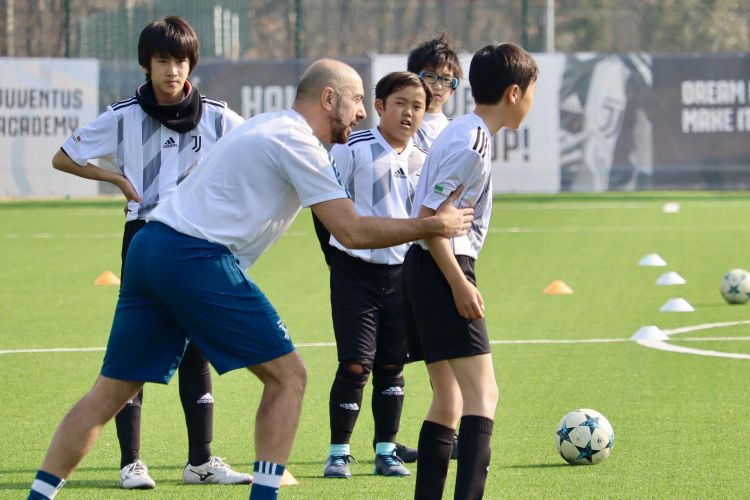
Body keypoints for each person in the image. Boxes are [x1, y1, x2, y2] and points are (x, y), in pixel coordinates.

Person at [29, 58, 474, 500]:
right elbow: (353, 231)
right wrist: (433, 225)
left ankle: (39, 495)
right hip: (193, 255)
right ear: (328, 98)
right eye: (357, 99)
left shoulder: (267, 125)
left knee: (110, 392)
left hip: (149, 245)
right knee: (289, 377)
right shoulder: (298, 142)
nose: (361, 111)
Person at [49, 16, 249, 490]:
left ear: (191, 64)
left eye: (180, 61)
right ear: (146, 65)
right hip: (144, 238)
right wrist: (116, 178)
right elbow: (63, 156)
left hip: (200, 241)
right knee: (137, 347)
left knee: (198, 346)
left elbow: (256, 154)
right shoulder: (122, 116)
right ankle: (130, 463)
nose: (172, 70)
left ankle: (200, 462)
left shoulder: (220, 116)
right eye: (163, 61)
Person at [402, 43, 538, 500]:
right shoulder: (472, 142)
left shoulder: (464, 129)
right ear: (515, 92)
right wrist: (459, 283)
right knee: (484, 395)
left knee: (449, 399)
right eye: (533, 92)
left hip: (423, 269)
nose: (532, 103)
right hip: (444, 268)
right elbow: (429, 219)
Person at [322, 72, 432, 479]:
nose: (409, 113)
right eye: (400, 103)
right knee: (354, 364)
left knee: (393, 364)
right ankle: (338, 452)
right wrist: (336, 256)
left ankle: (387, 450)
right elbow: (326, 208)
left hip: (402, 275)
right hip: (354, 273)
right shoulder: (352, 149)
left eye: (417, 106)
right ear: (380, 106)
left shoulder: (425, 158)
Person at [407, 35, 464, 150]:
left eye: (446, 79)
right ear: (412, 78)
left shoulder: (457, 132)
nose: (438, 86)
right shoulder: (401, 126)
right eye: (429, 76)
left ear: (453, 89)